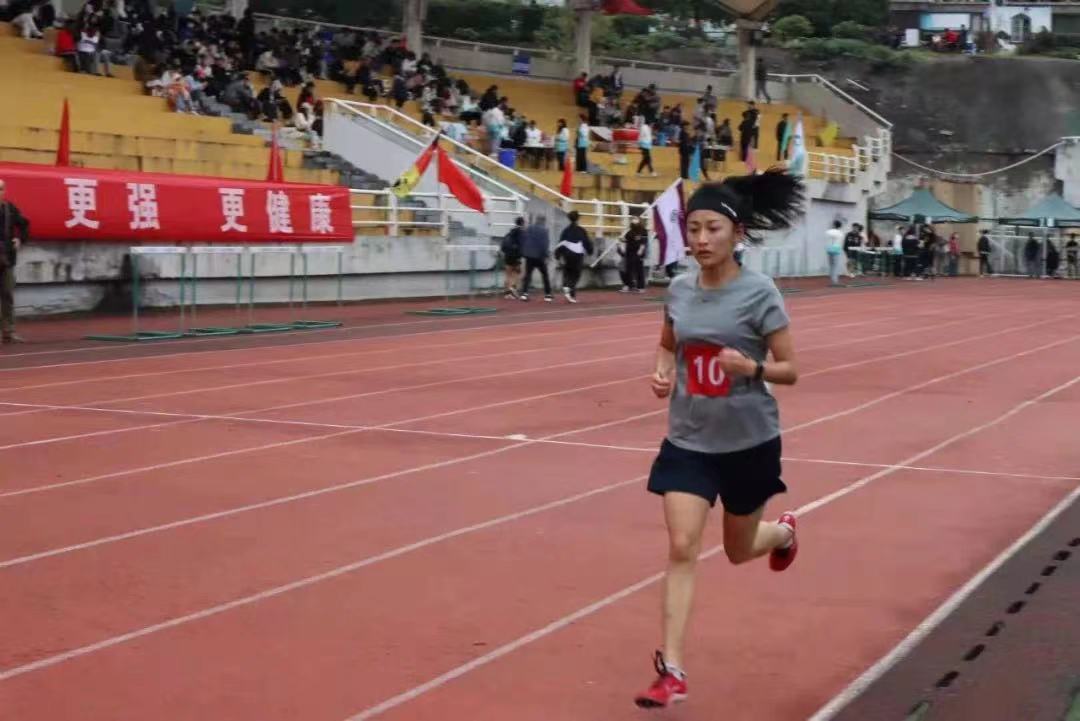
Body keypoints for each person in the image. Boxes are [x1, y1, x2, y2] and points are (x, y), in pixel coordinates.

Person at [635, 170, 803, 709]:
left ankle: (782, 534)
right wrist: (662, 371)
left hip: (749, 442)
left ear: (737, 233)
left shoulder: (760, 293)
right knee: (682, 546)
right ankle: (672, 671)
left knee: (737, 549)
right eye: (693, 229)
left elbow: (791, 369)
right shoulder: (679, 290)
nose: (701, 239)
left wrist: (752, 368)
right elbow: (668, 344)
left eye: (712, 229)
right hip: (688, 440)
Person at [0, 178, 30, 344]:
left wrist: (19, 239)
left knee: (7, 294)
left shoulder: (9, 209)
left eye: (1, 189)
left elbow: (24, 224)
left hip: (6, 259)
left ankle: (8, 332)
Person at [554, 211, 593, 303]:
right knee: (576, 274)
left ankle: (566, 286)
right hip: (577, 255)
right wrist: (590, 251)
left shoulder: (565, 230)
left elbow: (561, 243)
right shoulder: (581, 230)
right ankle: (570, 290)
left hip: (567, 255)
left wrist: (558, 255)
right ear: (578, 219)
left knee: (567, 271)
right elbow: (586, 242)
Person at [519, 215, 553, 302]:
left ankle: (524, 294)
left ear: (536, 220)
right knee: (545, 275)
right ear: (543, 221)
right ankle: (548, 295)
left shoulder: (529, 228)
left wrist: (524, 252)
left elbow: (523, 239)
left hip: (529, 255)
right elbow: (545, 244)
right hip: (539, 256)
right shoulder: (545, 230)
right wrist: (546, 255)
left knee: (528, 275)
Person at [620, 215, 648, 293]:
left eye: (636, 219)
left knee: (639, 269)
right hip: (629, 252)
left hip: (638, 252)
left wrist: (640, 251)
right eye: (633, 219)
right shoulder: (630, 231)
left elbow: (644, 242)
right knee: (628, 269)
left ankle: (641, 287)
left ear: (639, 221)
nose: (634, 220)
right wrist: (622, 240)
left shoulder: (643, 231)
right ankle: (628, 285)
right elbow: (626, 239)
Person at [500, 217, 525, 299]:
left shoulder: (510, 232)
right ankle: (513, 288)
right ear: (523, 223)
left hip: (507, 255)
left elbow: (503, 246)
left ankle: (507, 293)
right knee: (517, 273)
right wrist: (520, 255)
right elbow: (522, 245)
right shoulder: (521, 232)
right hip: (516, 256)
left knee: (508, 274)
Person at [826, 219, 845, 286]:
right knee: (835, 266)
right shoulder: (841, 233)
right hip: (836, 249)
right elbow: (841, 241)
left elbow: (827, 237)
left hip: (829, 249)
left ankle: (832, 280)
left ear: (834, 225)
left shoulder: (829, 231)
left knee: (831, 265)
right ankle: (835, 281)